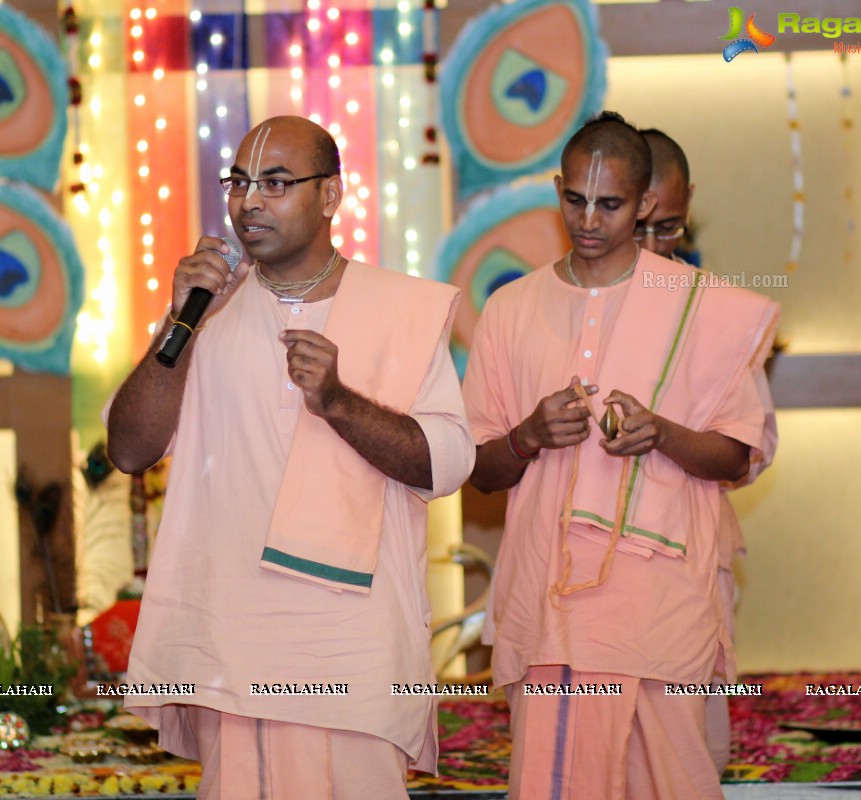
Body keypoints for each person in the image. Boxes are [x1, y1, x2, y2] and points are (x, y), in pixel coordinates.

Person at [106, 116, 474, 799]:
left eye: (276, 183)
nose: (250, 202)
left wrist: (339, 401)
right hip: (231, 649)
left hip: (353, 655)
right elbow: (129, 448)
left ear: (330, 196)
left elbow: (449, 463)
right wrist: (177, 321)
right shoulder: (204, 315)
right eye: (239, 182)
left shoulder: (402, 310)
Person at [462, 112, 779, 799]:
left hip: (660, 609)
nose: (589, 218)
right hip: (548, 612)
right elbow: (477, 471)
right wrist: (529, 436)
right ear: (558, 188)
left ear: (646, 205)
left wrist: (661, 433)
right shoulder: (511, 310)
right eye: (575, 198)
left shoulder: (701, 309)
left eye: (610, 204)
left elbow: (737, 456)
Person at [637, 128, 778, 776]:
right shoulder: (555, 305)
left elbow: (739, 455)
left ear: (688, 203)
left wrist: (662, 432)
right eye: (633, 229)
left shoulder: (718, 309)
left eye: (664, 229)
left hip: (687, 562)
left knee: (685, 754)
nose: (646, 251)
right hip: (582, 574)